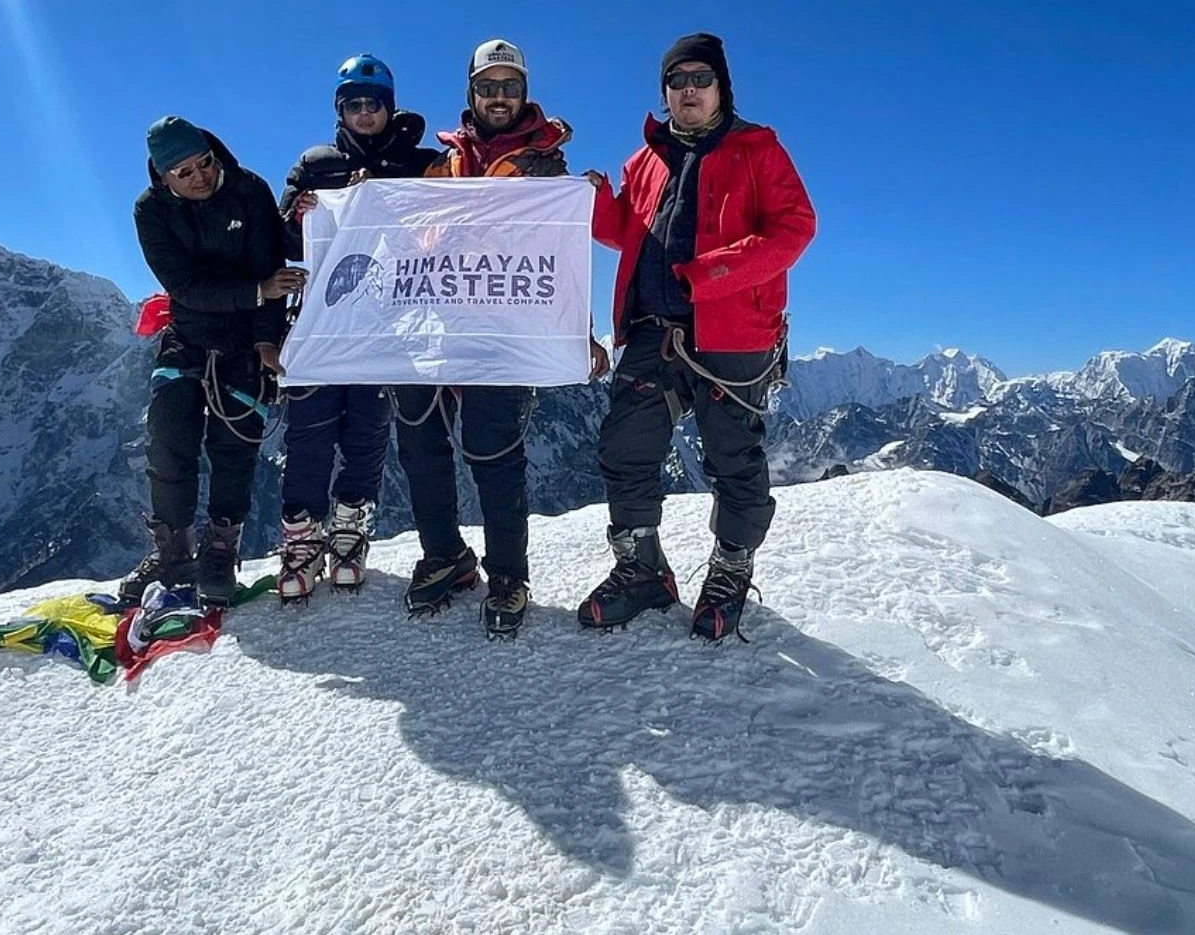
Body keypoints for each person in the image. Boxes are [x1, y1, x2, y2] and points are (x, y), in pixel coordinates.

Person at [581, 32, 816, 641]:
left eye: (700, 79)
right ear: (664, 93)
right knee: (624, 450)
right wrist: (589, 200)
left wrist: (711, 275)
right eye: (677, 81)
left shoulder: (757, 150)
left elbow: (795, 228)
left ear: (721, 88)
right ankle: (642, 571)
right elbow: (624, 232)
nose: (689, 90)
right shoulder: (645, 161)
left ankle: (730, 571)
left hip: (732, 332)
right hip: (651, 332)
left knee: (733, 458)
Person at [397, 38, 604, 638]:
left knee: (493, 453)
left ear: (524, 93)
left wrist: (579, 332)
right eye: (487, 86)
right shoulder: (443, 162)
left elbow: (560, 261)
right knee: (420, 442)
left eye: (509, 86)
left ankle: (508, 576)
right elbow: (410, 238)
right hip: (436, 326)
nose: (498, 97)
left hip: (505, 330)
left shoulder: (547, 167)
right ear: (471, 93)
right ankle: (445, 557)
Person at [272, 54, 442, 601]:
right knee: (310, 431)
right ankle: (301, 537)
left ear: (389, 108)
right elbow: (285, 248)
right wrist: (300, 216)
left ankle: (350, 528)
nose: (364, 114)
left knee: (367, 429)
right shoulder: (314, 167)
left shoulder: (421, 165)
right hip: (322, 323)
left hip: (388, 323)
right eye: (353, 105)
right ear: (339, 111)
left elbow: (453, 229)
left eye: (374, 104)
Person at [122, 115, 302, 609]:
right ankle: (172, 552)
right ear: (163, 178)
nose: (200, 176)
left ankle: (221, 549)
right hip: (188, 335)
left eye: (205, 163)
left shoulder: (248, 190)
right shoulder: (150, 211)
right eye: (184, 172)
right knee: (168, 438)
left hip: (245, 340)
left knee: (235, 445)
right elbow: (184, 287)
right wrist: (255, 292)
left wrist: (269, 339)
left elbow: (272, 268)